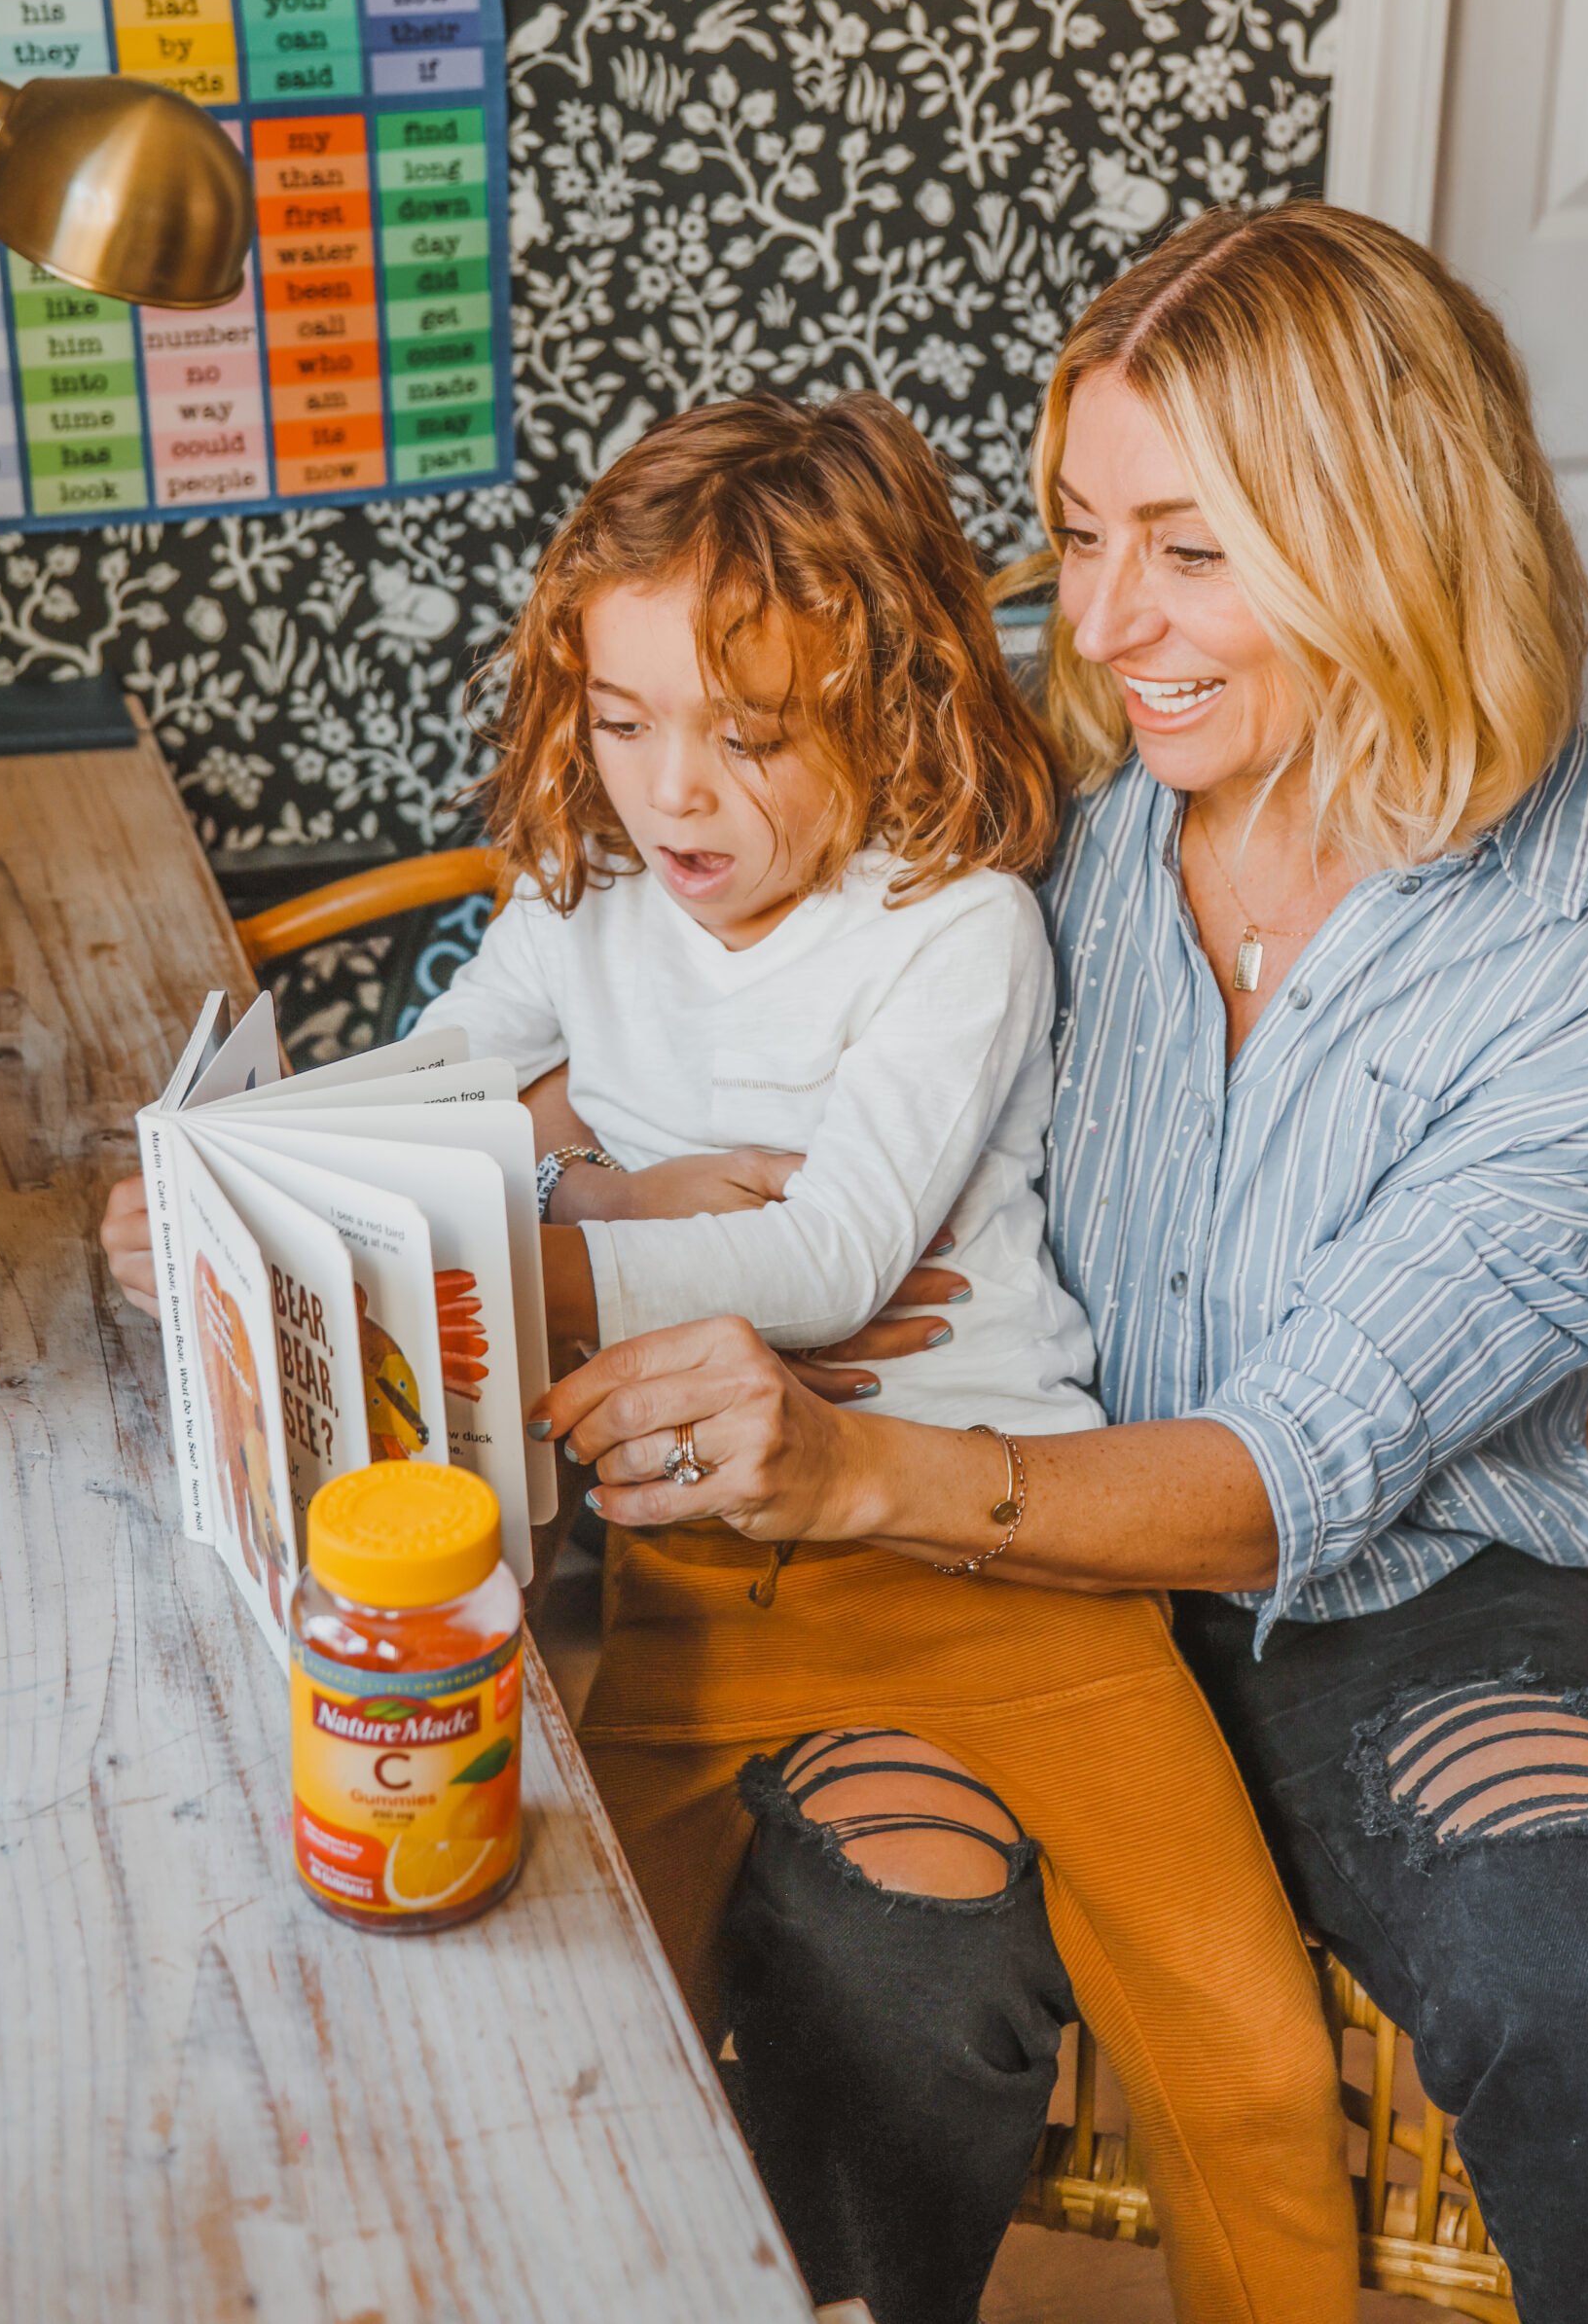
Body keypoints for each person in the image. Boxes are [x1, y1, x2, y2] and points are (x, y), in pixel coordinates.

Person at [534, 203, 1588, 2324]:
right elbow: (658, 949)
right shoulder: (1047, 782)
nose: (1101, 618)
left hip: (1406, 1603)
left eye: (1187, 548)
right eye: (1080, 533)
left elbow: (1298, 1459)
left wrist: (853, 1464)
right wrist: (596, 1171)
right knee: (882, 1944)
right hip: (971, 1586)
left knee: (1587, 1991)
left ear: (1386, 532)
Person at [415, 394, 1355, 2324]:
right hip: (698, 1576)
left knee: (1249, 2070)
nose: (675, 793)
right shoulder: (586, 888)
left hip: (1017, 1576)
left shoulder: (956, 926)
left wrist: (505, 1246)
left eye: (748, 737)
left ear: (888, 700)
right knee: (563, 2047)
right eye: (621, 721)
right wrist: (270, 1168)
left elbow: (831, 1263)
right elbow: (429, 1076)